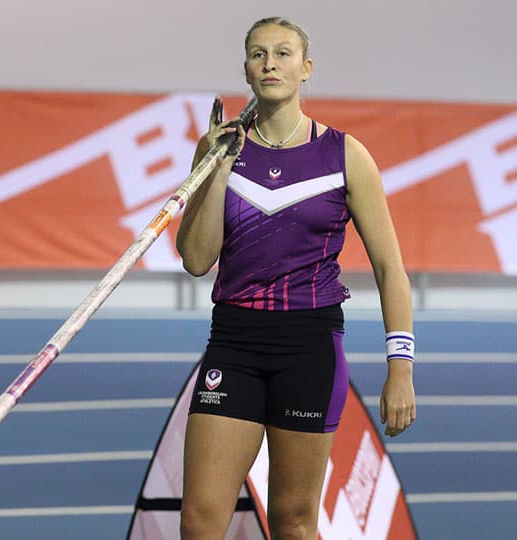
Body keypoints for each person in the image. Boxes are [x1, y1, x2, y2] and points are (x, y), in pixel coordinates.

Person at [176, 16, 416, 540]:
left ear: (305, 69)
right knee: (198, 518)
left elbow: (390, 268)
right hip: (234, 342)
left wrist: (400, 367)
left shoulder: (344, 155)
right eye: (258, 54)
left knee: (293, 520)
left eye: (283, 53)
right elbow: (196, 260)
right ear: (246, 70)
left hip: (308, 347)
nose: (270, 64)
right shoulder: (218, 148)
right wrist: (216, 168)